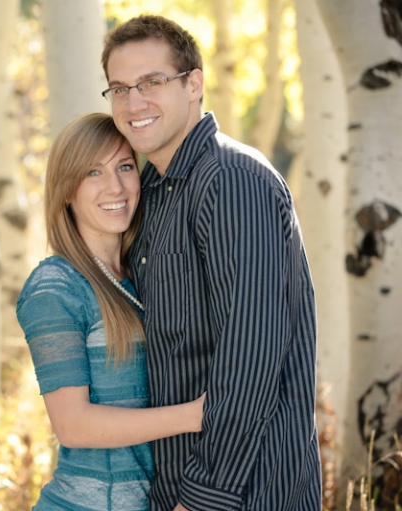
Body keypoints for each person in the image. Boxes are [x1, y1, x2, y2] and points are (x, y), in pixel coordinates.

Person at [100, 15, 322, 510]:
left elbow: (251, 356)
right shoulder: (154, 192)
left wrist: (203, 498)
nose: (134, 102)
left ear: (194, 83)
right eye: (119, 88)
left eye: (152, 82)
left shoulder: (229, 180)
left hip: (247, 492)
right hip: (176, 485)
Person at [16, 112, 205, 510]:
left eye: (124, 166)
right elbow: (74, 426)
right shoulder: (55, 286)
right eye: (93, 173)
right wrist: (198, 415)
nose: (115, 186)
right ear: (66, 190)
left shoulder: (141, 277)